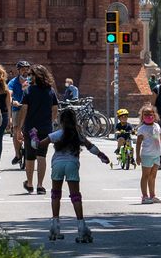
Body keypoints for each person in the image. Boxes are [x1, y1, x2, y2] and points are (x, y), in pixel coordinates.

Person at [45, 106, 111, 243]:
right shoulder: (78, 134)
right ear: (75, 121)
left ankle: (55, 227)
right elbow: (90, 146)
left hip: (57, 164)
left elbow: (39, 144)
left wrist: (33, 137)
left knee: (55, 194)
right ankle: (81, 228)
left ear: (61, 121)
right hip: (72, 164)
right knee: (75, 196)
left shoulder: (57, 134)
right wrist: (101, 155)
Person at [15, 63, 58, 194]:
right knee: (42, 155)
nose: (28, 77)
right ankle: (40, 185)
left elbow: (24, 109)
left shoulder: (29, 91)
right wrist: (49, 122)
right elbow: (55, 109)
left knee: (30, 156)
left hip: (31, 128)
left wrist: (19, 128)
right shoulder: (50, 90)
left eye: (30, 74)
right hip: (45, 128)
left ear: (36, 76)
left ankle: (29, 183)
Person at [135, 104, 161, 204]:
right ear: (142, 116)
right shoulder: (142, 129)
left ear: (155, 115)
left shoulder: (156, 126)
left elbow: (158, 138)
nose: (148, 116)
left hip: (156, 155)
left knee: (153, 176)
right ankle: (145, 197)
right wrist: (137, 156)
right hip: (147, 155)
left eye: (151, 114)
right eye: (146, 114)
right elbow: (138, 143)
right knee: (145, 176)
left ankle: (152, 196)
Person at [7, 60, 31, 167]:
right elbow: (9, 94)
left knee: (33, 130)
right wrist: (12, 101)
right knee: (16, 130)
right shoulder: (13, 82)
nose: (25, 71)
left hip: (29, 109)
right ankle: (17, 154)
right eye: (23, 69)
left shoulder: (31, 81)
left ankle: (32, 150)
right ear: (19, 71)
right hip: (17, 109)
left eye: (27, 69)